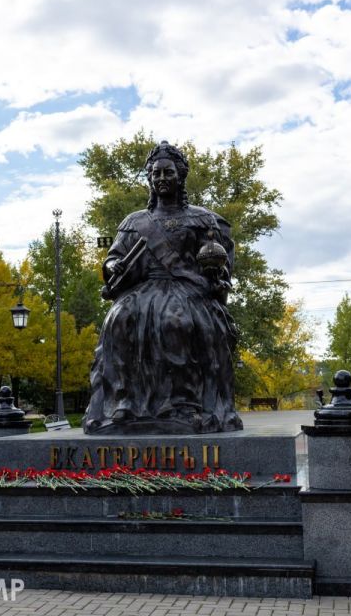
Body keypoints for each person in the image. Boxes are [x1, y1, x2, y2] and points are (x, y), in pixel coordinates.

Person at [83, 141, 242, 435]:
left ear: (180, 176)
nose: (161, 178)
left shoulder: (201, 218)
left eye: (168, 172)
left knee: (174, 322)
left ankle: (181, 404)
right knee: (120, 319)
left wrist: (215, 273)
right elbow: (114, 257)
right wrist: (113, 267)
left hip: (187, 290)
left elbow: (219, 257)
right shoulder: (134, 222)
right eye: (155, 173)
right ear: (149, 178)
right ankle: (124, 402)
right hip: (143, 288)